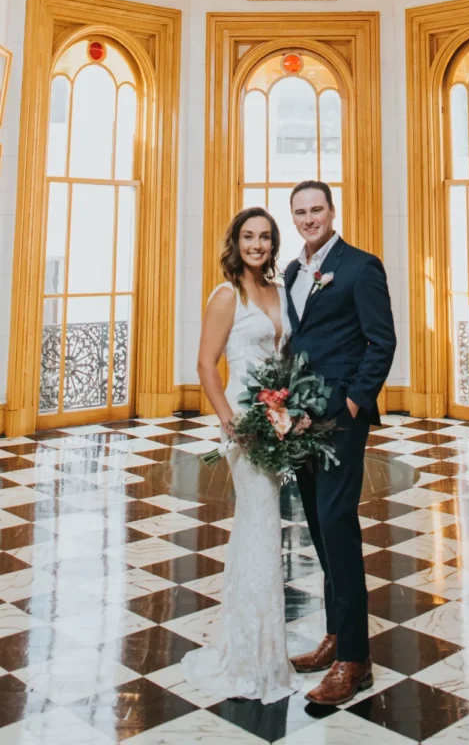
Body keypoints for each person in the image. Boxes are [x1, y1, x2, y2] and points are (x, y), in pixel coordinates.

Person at [285, 179, 396, 705]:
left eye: (317, 209)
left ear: (333, 211)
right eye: (301, 212)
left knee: (338, 526)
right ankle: (334, 636)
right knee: (318, 528)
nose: (309, 219)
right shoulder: (291, 271)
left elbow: (382, 339)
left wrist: (354, 402)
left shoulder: (360, 265)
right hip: (300, 422)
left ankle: (356, 658)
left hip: (341, 422)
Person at [181, 206, 297, 703]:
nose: (256, 245)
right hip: (244, 426)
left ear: (273, 244)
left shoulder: (280, 291)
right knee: (260, 522)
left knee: (267, 528)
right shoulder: (226, 295)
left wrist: (292, 410)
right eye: (248, 237)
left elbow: (287, 357)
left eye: (265, 237)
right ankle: (249, 657)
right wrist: (230, 420)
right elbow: (206, 365)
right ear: (236, 241)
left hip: (278, 422)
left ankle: (267, 649)